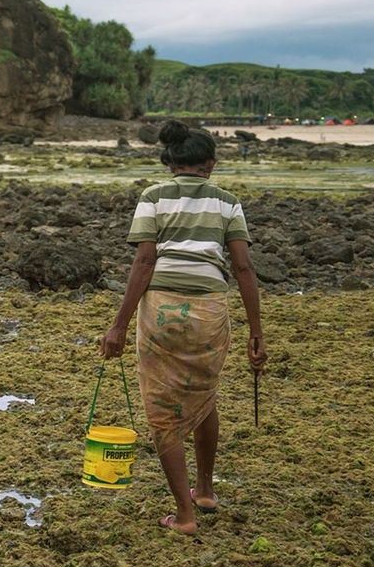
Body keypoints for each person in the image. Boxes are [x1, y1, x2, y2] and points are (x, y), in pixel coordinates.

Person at [99, 120, 267, 535]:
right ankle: (205, 490)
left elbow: (143, 262)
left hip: (161, 309)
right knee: (204, 395)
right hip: (211, 309)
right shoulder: (227, 202)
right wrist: (256, 330)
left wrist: (118, 325)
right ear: (210, 164)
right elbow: (243, 267)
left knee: (163, 412)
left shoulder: (153, 197)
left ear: (171, 162)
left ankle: (185, 516)